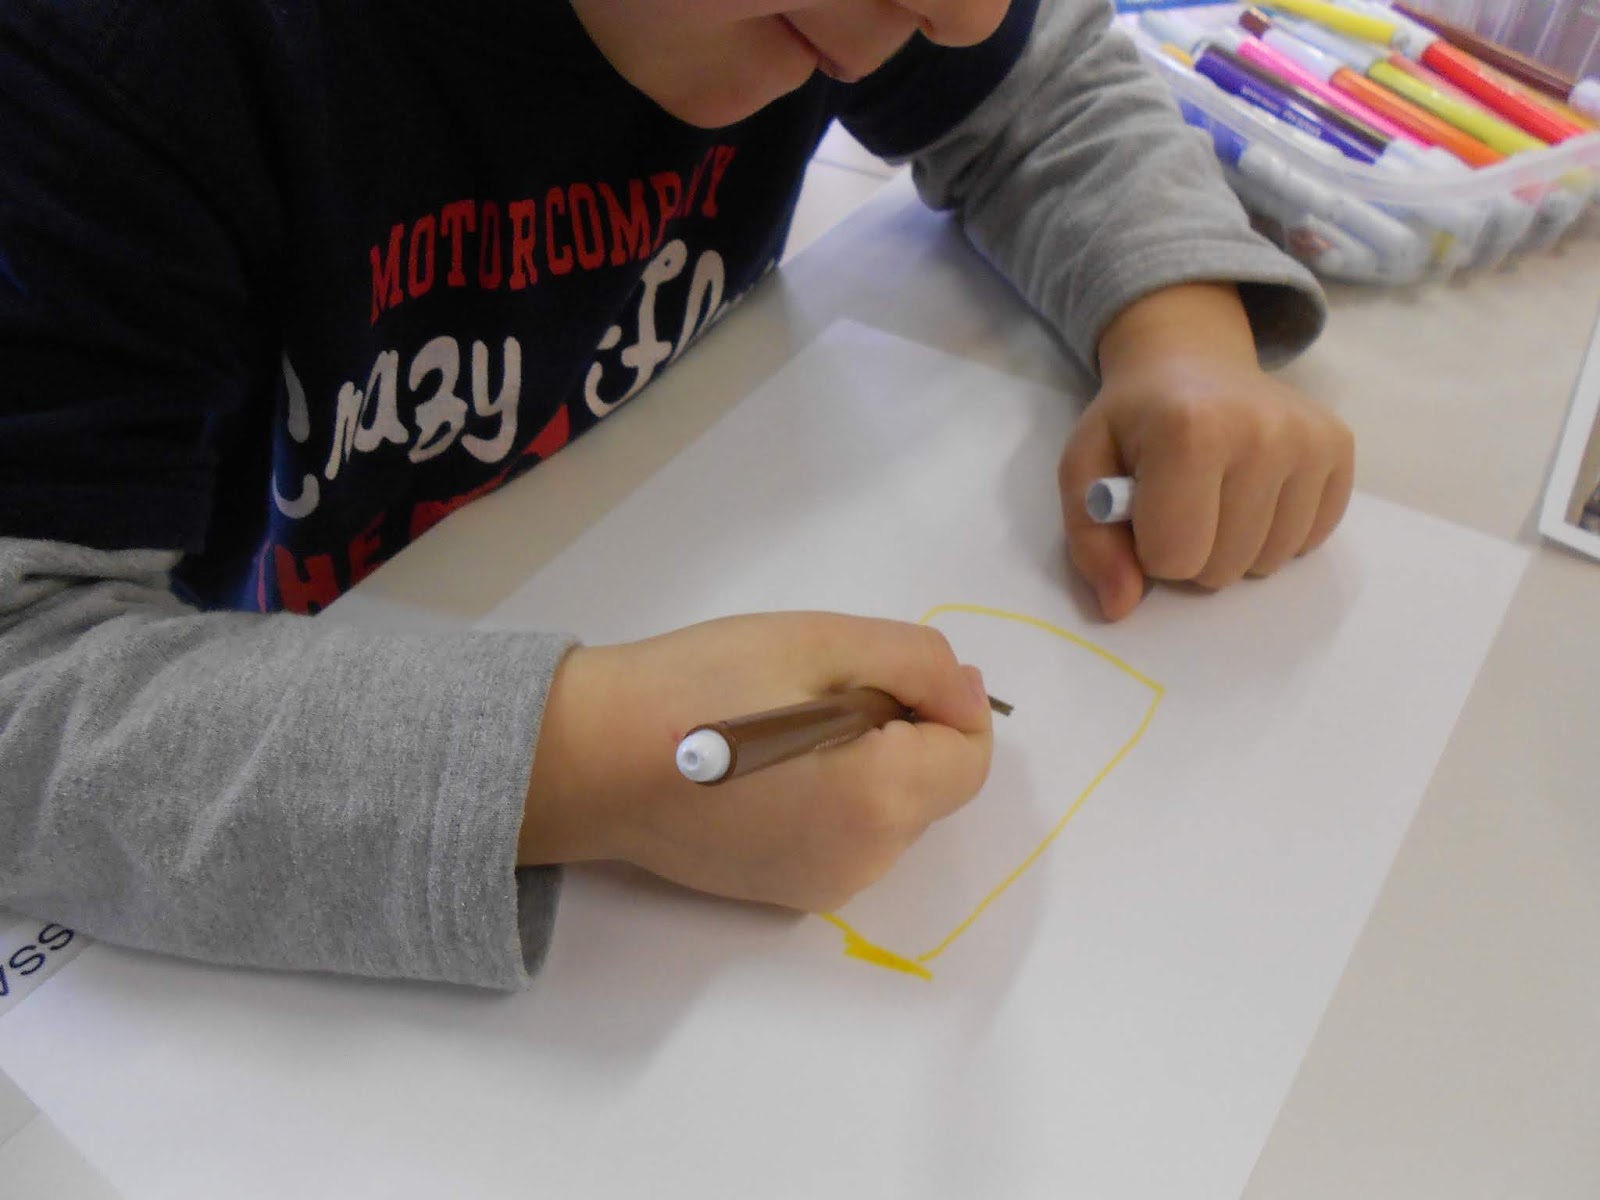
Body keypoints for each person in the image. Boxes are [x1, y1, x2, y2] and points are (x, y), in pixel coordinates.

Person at [0, 0, 1354, 988]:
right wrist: (583, 761)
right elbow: (24, 691)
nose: (958, 16)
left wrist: (1178, 331)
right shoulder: (101, 67)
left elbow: (1038, 80)